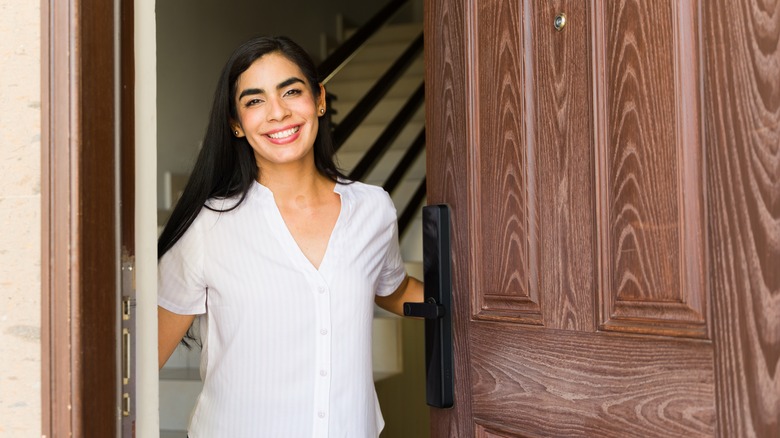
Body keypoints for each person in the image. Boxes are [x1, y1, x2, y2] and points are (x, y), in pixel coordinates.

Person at [156, 35, 424, 437]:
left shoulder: (372, 210)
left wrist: (477, 305)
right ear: (236, 124)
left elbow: (392, 286)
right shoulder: (208, 226)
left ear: (319, 99)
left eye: (291, 92)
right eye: (254, 101)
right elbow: (138, 370)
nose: (278, 113)